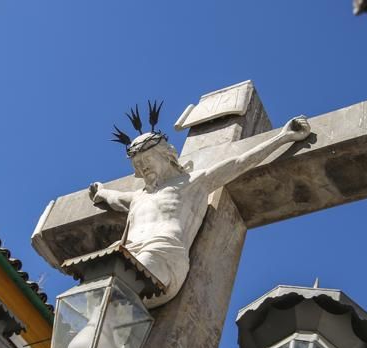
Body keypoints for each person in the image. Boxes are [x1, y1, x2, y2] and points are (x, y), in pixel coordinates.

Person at [89, 114, 311, 308]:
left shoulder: (193, 182)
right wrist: (101, 191)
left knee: (119, 284)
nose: (143, 167)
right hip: (129, 254)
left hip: (162, 254)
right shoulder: (139, 196)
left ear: (165, 155)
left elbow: (240, 162)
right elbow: (113, 198)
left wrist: (283, 137)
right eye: (137, 164)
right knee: (94, 294)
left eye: (147, 160)